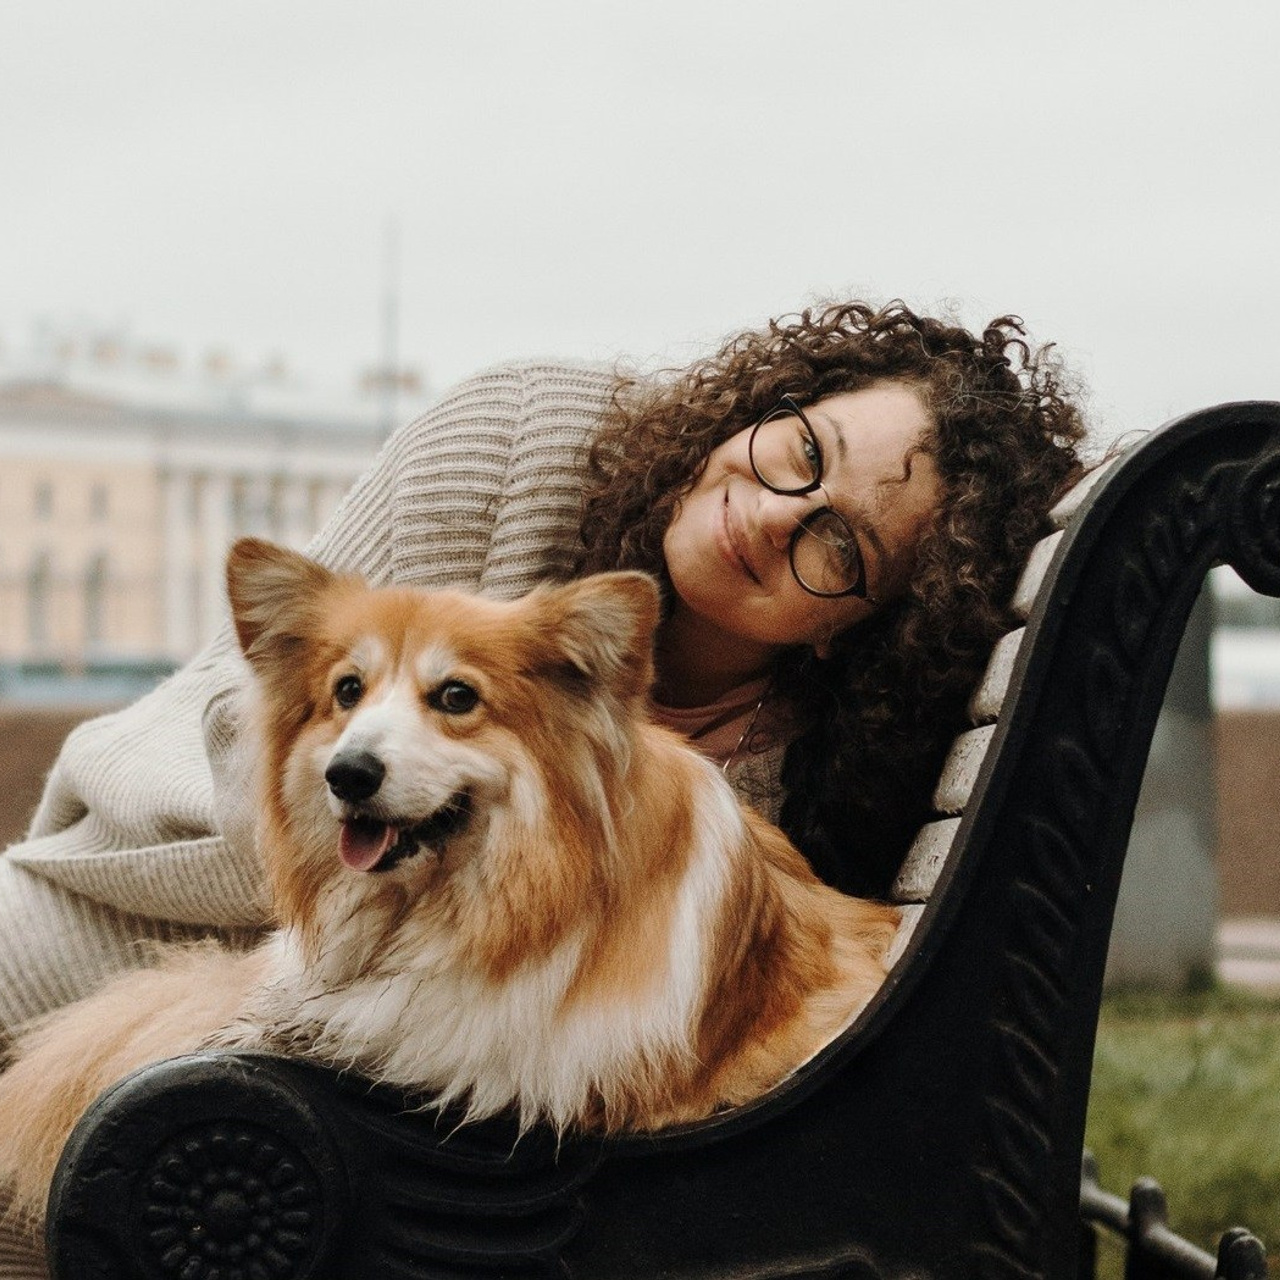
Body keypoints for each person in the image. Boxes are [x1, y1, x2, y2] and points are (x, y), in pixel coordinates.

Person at [0, 299, 1085, 1276]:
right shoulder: (521, 436)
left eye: (838, 544)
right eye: (801, 449)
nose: (772, 514)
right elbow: (276, 724)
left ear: (864, 621)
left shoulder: (801, 772)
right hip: (173, 863)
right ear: (773, 402)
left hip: (366, 1010)